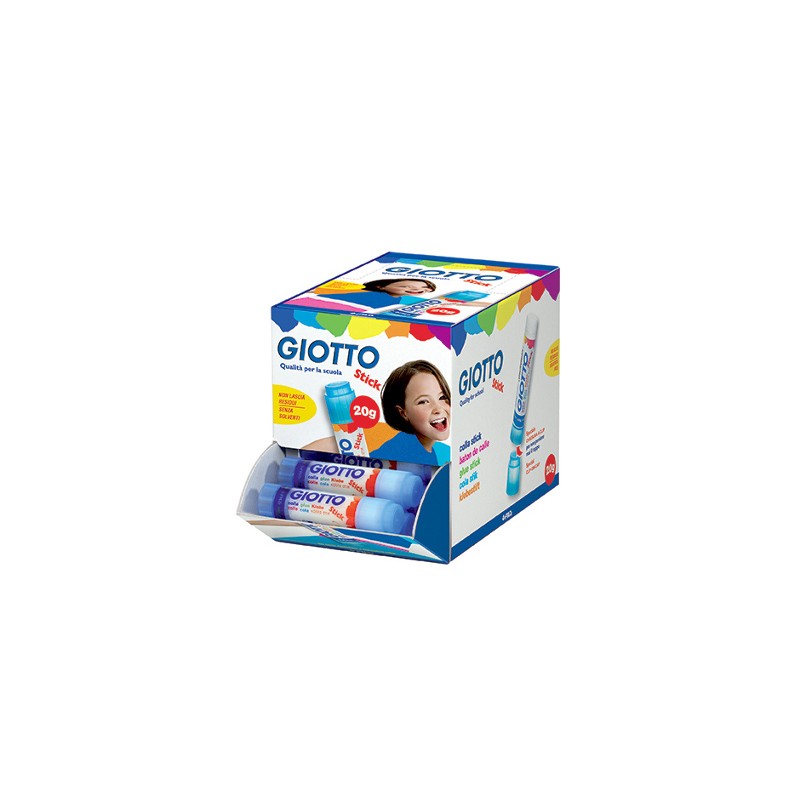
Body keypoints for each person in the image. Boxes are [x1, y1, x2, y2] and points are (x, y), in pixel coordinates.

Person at [371, 360, 451, 466]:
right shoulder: (402, 455)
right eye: (423, 401)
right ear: (403, 413)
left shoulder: (427, 450)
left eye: (442, 397)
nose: (438, 408)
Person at [314, 278, 436, 310]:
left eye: (425, 290)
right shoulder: (360, 292)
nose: (420, 290)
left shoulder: (395, 302)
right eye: (407, 286)